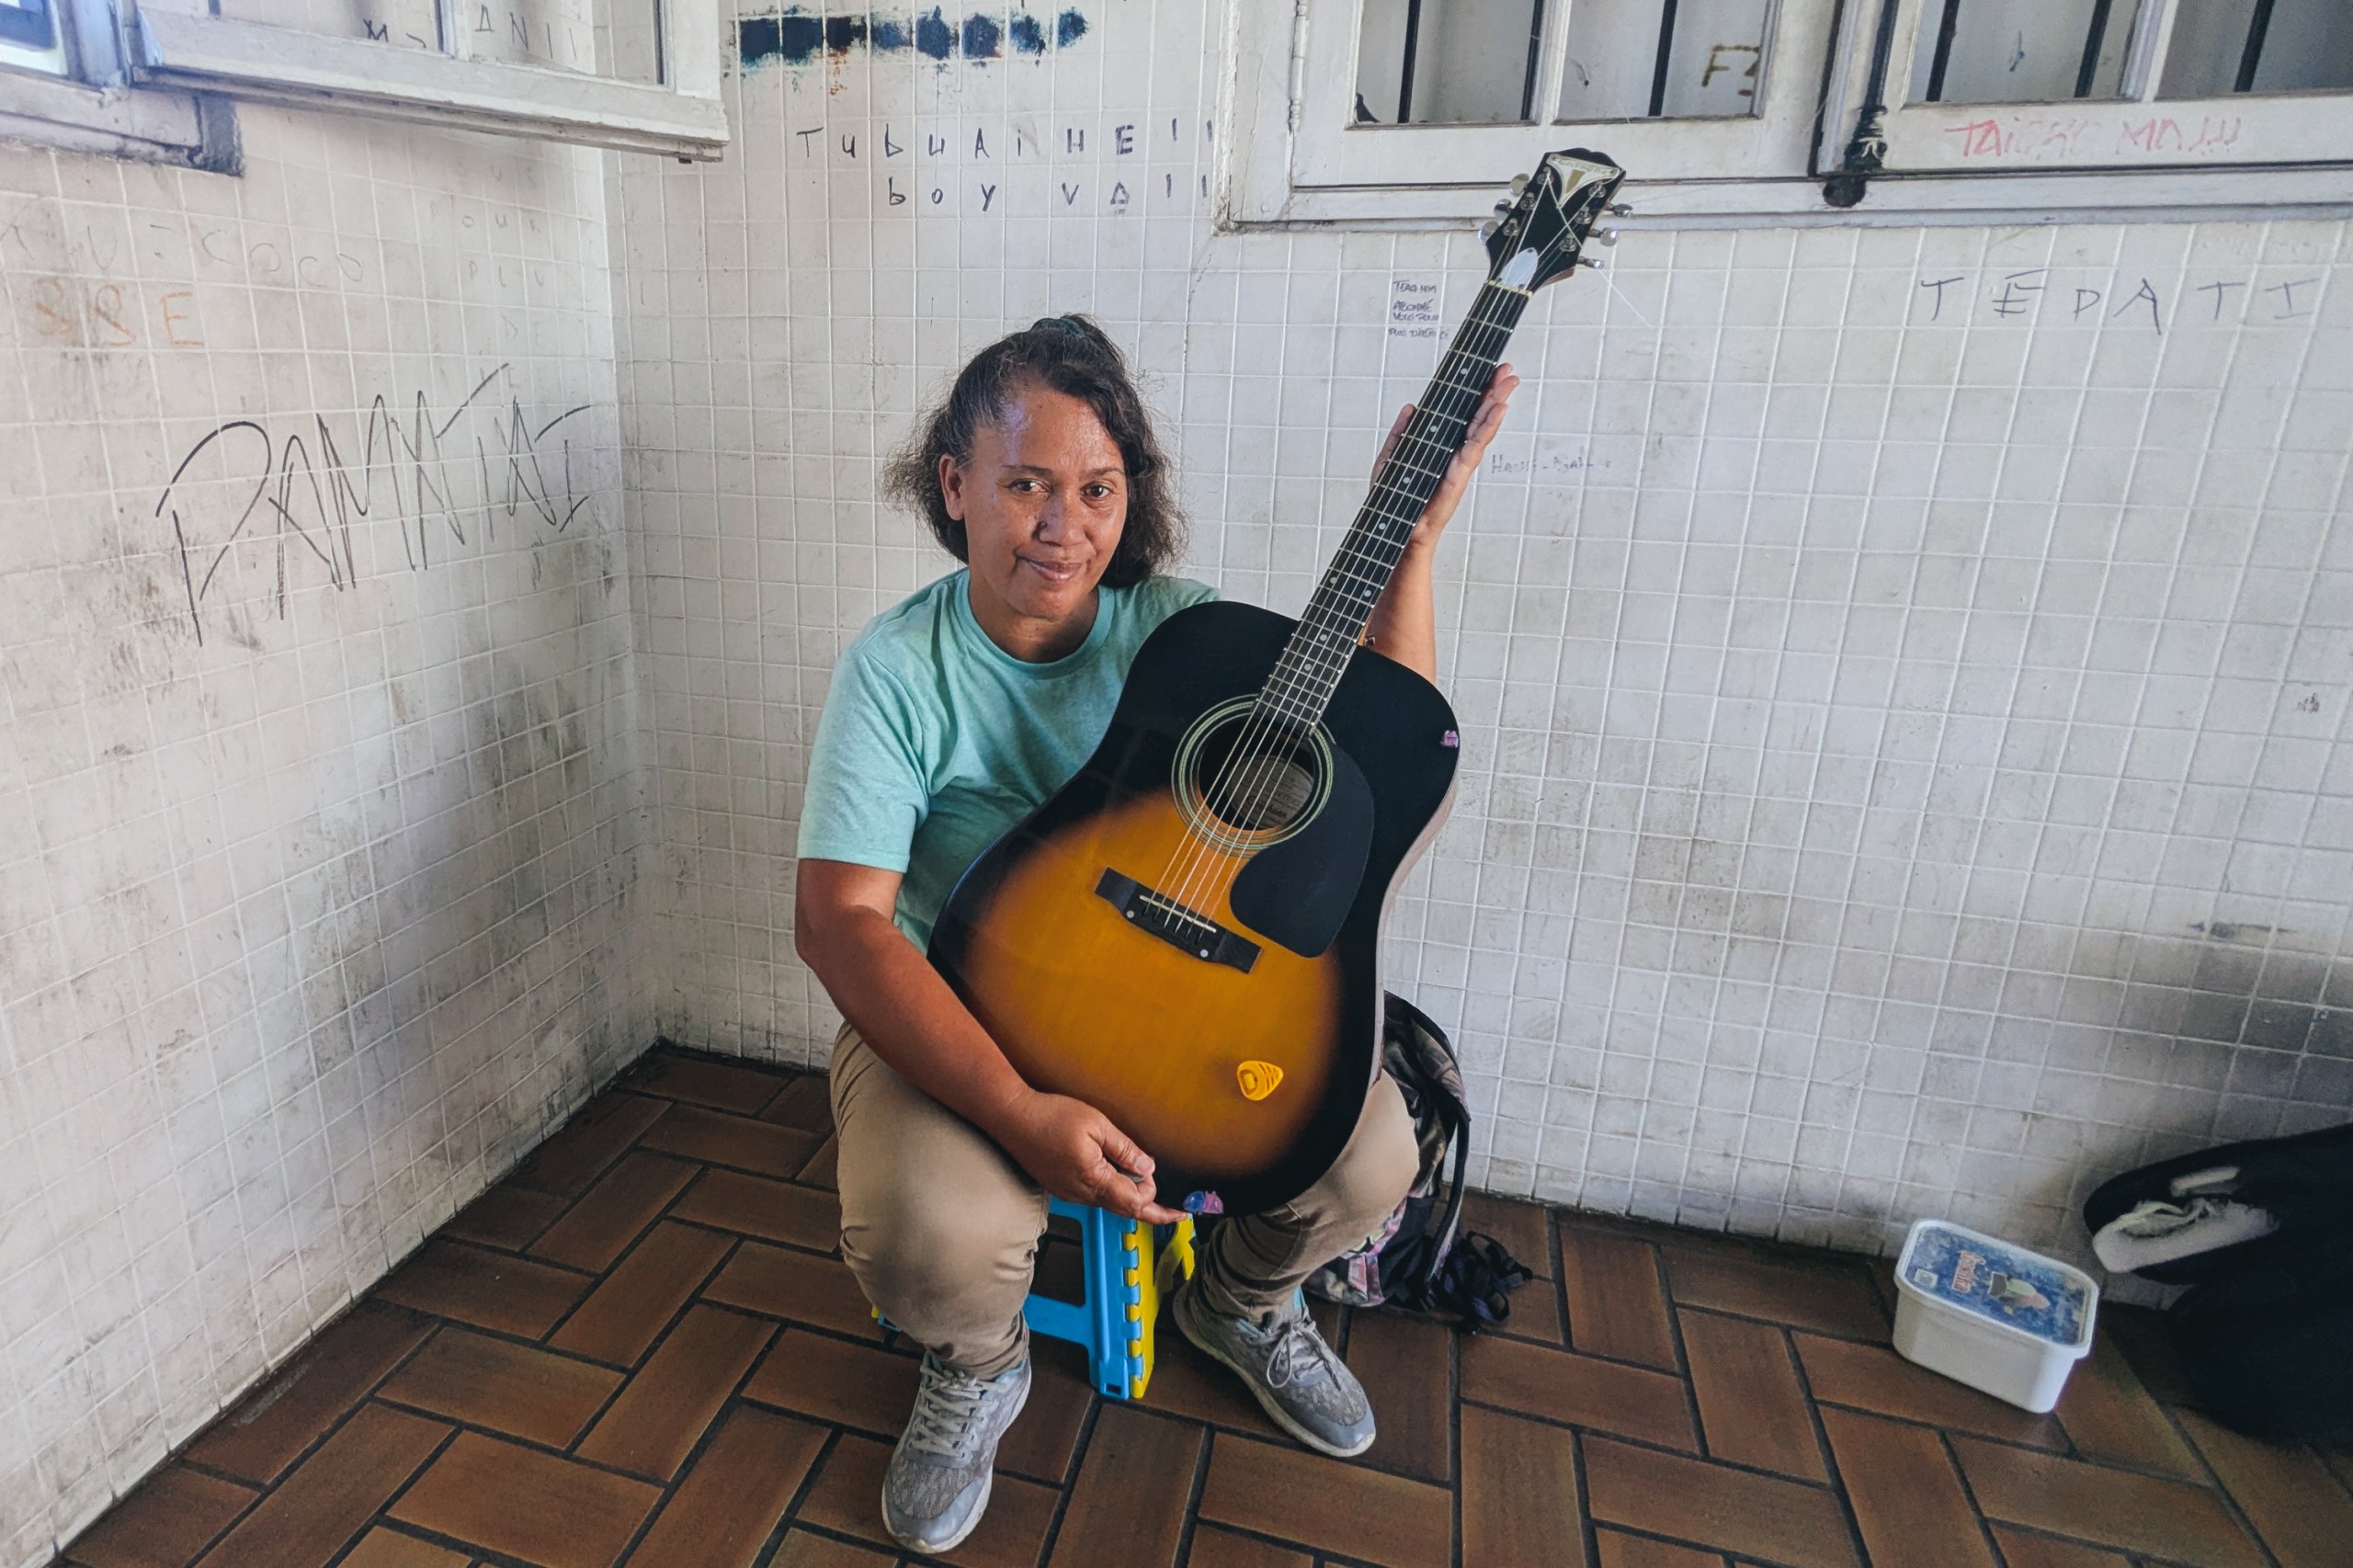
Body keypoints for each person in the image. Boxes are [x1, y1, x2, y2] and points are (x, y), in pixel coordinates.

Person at [794, 314, 1516, 1554]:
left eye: (1096, 488)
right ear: (955, 485)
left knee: (1371, 1159)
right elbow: (840, 925)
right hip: (961, 1010)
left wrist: (1416, 540)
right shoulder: (898, 669)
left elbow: (1386, 749)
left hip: (1182, 999)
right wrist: (1020, 1112)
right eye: (1026, 484)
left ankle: (1240, 1301)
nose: (1062, 524)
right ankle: (977, 1363)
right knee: (928, 1232)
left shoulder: (1187, 637)